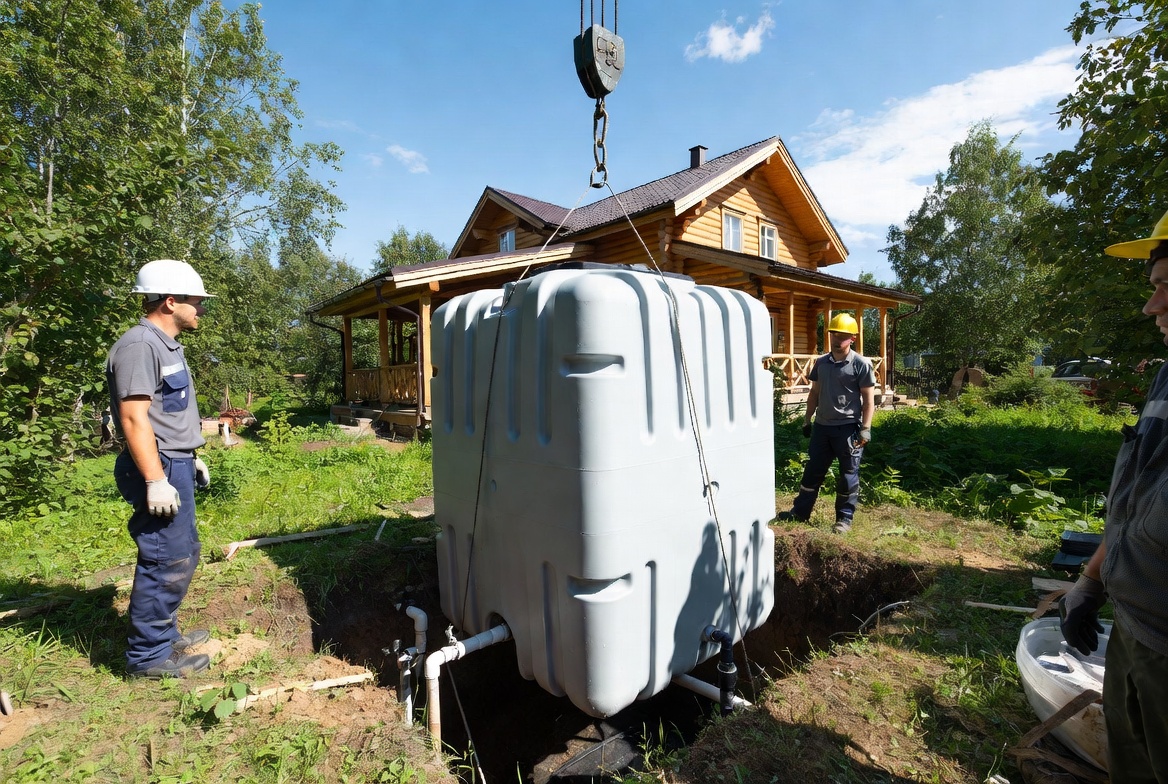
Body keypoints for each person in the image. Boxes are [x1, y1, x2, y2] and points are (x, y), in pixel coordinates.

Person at [1060, 210, 1168, 783]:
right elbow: (1136, 501)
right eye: (1154, 285)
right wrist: (1092, 581)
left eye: (1167, 286)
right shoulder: (1167, 379)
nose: (1152, 306)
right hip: (1135, 628)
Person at [107, 259, 214, 679]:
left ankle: (164, 635)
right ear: (170, 301)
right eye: (197, 302)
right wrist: (155, 479)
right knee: (164, 558)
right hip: (159, 465)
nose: (201, 309)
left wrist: (190, 453)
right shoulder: (139, 346)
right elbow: (133, 418)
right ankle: (147, 658)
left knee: (182, 551)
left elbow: (166, 411)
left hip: (174, 459)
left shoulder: (165, 344)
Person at [777, 313, 875, 533]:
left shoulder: (861, 364)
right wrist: (807, 419)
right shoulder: (821, 363)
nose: (837, 340)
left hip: (847, 429)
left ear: (852, 338)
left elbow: (869, 401)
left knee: (848, 475)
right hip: (822, 428)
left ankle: (844, 519)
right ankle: (800, 513)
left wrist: (866, 429)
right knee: (813, 471)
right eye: (834, 335)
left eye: (843, 336)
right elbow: (814, 393)